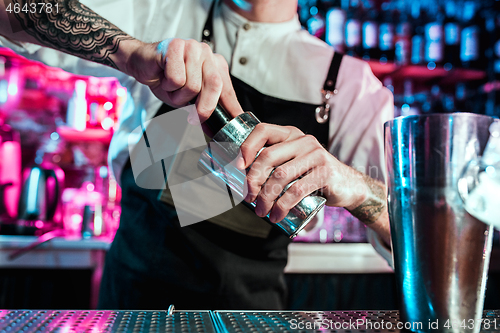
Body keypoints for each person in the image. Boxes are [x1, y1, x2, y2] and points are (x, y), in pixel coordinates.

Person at [0, 0, 393, 310]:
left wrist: (356, 187)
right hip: (132, 308)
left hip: (248, 318)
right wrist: (130, 51)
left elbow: (418, 245)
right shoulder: (161, 12)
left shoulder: (348, 85)